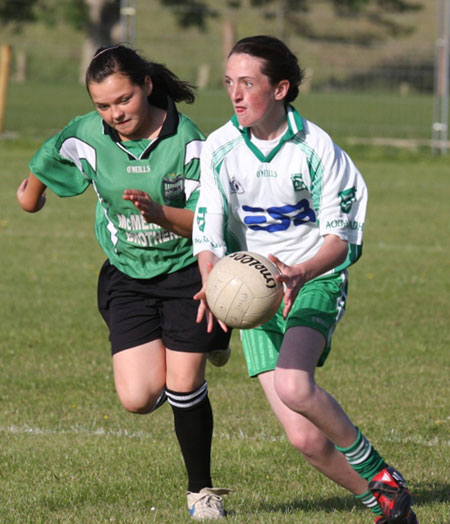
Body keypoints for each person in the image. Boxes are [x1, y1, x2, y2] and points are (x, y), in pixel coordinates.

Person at [193, 35, 418, 524]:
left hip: (314, 277)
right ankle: (384, 504)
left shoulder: (316, 150)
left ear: (280, 89)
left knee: (296, 385)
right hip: (252, 291)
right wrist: (214, 283)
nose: (234, 94)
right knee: (304, 438)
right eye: (229, 82)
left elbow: (341, 238)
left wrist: (300, 271)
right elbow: (206, 231)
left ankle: (383, 476)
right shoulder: (219, 147)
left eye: (247, 83)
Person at [16, 44, 231, 521]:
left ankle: (201, 492)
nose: (115, 114)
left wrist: (160, 215)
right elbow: (44, 167)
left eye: (124, 100)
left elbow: (207, 223)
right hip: (127, 275)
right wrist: (31, 197)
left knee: (182, 384)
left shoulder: (190, 142)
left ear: (147, 86)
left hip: (185, 273)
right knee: (137, 399)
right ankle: (212, 336)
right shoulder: (88, 134)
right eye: (103, 105)